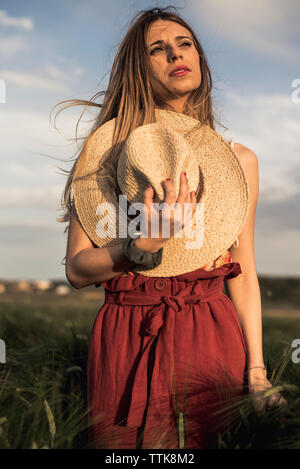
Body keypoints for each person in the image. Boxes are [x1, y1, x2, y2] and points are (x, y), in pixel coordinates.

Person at [55, 6, 287, 449]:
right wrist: (136, 248)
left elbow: (245, 272)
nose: (176, 55)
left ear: (199, 58)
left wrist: (256, 373)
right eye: (157, 50)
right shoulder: (108, 154)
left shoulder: (238, 163)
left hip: (210, 335)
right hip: (125, 335)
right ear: (139, 69)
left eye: (185, 44)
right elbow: (77, 269)